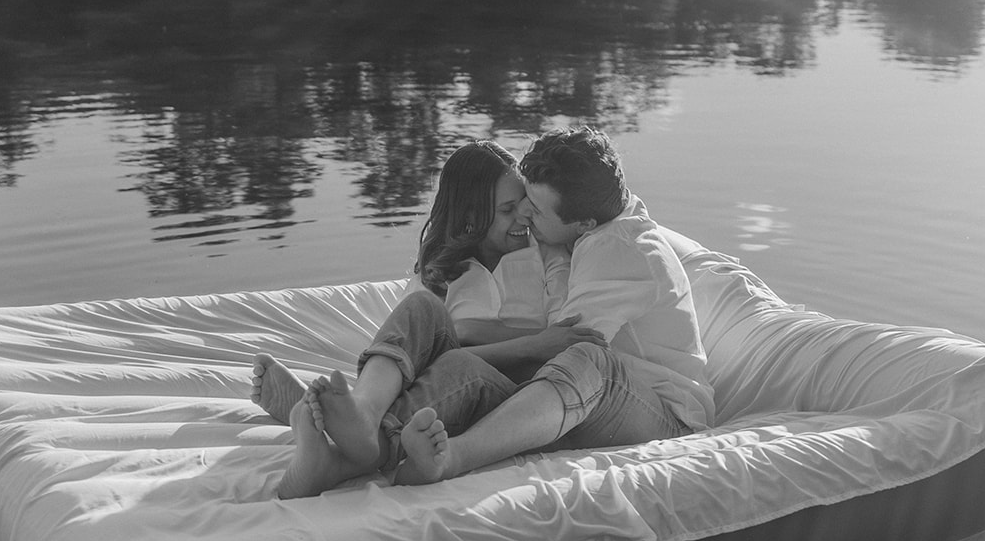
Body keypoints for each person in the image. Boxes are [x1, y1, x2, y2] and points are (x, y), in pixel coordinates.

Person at [275, 126, 715, 497]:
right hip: (577, 397)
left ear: (581, 224)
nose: (527, 216)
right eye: (521, 201)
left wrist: (458, 345)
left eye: (535, 209)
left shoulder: (616, 253)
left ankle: (444, 456)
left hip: (662, 417)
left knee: (582, 357)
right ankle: (360, 427)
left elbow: (562, 352)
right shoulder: (582, 230)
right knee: (424, 308)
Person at [250, 140, 603, 494]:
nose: (524, 217)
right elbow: (406, 355)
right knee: (422, 309)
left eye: (524, 204)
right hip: (441, 385)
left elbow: (558, 339)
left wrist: (477, 335)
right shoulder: (441, 271)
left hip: (512, 399)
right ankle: (363, 416)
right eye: (508, 209)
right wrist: (504, 339)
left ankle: (344, 442)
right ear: (470, 217)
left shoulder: (548, 255)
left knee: (461, 366)